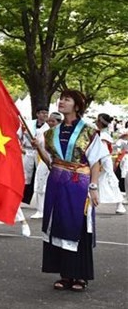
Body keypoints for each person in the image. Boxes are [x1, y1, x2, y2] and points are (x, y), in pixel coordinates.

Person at [35, 89, 108, 292]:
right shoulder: (51, 133)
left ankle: (80, 275)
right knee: (59, 225)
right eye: (61, 99)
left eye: (66, 99)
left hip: (79, 185)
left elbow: (95, 161)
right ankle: (65, 274)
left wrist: (93, 187)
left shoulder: (88, 131)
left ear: (76, 105)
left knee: (78, 225)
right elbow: (52, 162)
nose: (61, 102)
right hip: (57, 184)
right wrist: (39, 148)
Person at [30, 112, 63, 218]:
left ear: (59, 122)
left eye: (53, 121)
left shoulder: (63, 133)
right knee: (40, 185)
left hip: (58, 162)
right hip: (44, 161)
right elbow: (38, 146)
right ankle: (40, 210)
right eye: (49, 121)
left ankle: (56, 209)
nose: (50, 123)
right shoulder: (41, 132)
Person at [95, 113, 126, 214]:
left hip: (103, 160)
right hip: (101, 160)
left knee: (110, 180)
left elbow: (103, 151)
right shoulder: (102, 133)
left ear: (100, 121)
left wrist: (98, 163)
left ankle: (120, 204)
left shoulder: (103, 135)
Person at [20, 106, 49, 206]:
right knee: (25, 175)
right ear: (37, 114)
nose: (44, 115)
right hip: (27, 151)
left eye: (46, 113)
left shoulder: (48, 128)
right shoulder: (28, 124)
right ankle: (23, 198)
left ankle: (39, 203)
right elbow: (18, 136)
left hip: (39, 152)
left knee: (39, 176)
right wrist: (20, 147)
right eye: (42, 112)